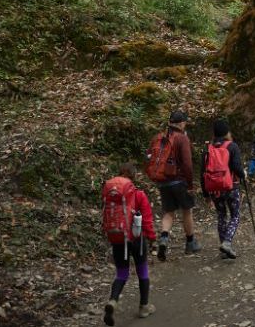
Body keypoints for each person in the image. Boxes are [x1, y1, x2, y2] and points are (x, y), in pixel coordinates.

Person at [102, 163, 156, 326]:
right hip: (136, 239)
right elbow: (146, 220)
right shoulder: (139, 195)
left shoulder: (111, 195)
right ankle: (144, 306)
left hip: (117, 237)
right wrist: (152, 238)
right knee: (142, 271)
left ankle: (112, 301)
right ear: (133, 176)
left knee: (121, 274)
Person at [147, 110, 202, 261]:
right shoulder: (182, 138)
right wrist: (190, 184)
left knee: (168, 213)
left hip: (163, 181)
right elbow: (188, 164)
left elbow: (149, 156)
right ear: (182, 123)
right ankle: (190, 243)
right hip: (179, 181)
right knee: (187, 211)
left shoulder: (158, 137)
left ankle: (164, 239)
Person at [200, 120, 245, 259]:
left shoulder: (207, 149)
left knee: (221, 216)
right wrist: (244, 175)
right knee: (235, 215)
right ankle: (227, 242)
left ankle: (223, 248)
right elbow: (237, 167)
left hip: (214, 189)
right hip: (231, 187)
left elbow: (202, 172)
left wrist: (206, 193)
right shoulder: (232, 146)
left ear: (214, 133)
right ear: (227, 132)